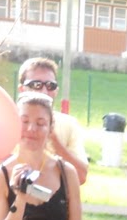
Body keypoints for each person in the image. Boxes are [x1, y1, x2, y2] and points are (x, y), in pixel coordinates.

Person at [17, 55, 90, 183]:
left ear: (56, 91)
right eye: (36, 84)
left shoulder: (69, 124)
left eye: (50, 85)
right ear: (22, 89)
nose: (44, 91)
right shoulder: (9, 121)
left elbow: (81, 177)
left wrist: (53, 139)